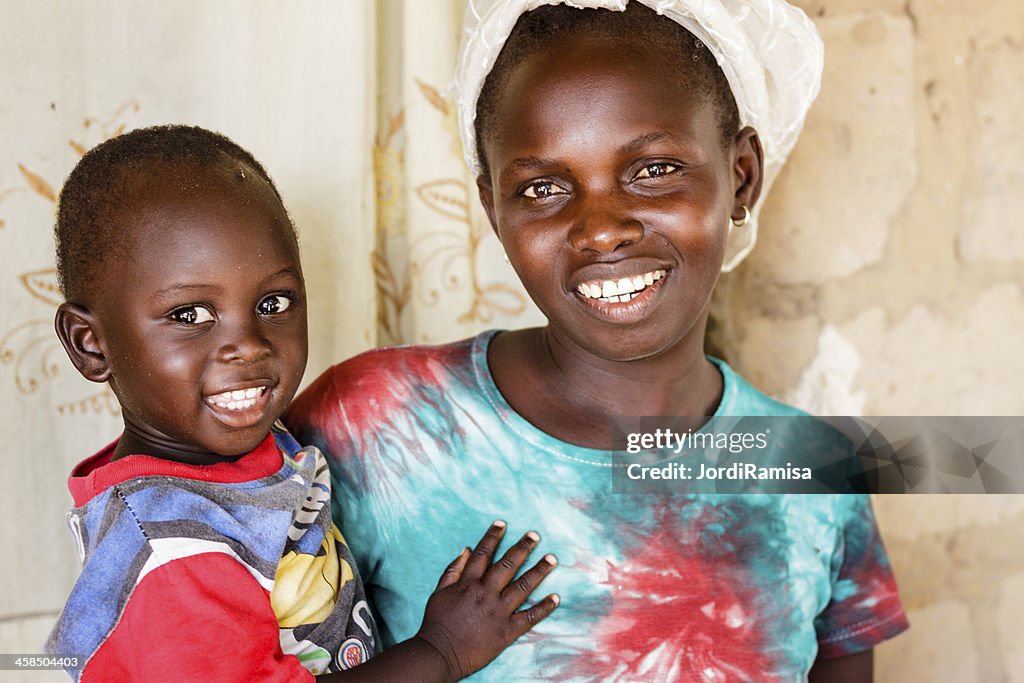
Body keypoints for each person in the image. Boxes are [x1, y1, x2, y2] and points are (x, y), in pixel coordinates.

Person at [287, 1, 909, 680]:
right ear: (493, 209)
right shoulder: (369, 423)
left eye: (653, 170)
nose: (602, 228)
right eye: (544, 187)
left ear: (741, 176)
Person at [44, 125, 558, 682]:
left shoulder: (233, 450)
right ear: (90, 345)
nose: (250, 346)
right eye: (190, 315)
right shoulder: (171, 554)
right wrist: (444, 650)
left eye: (273, 302)